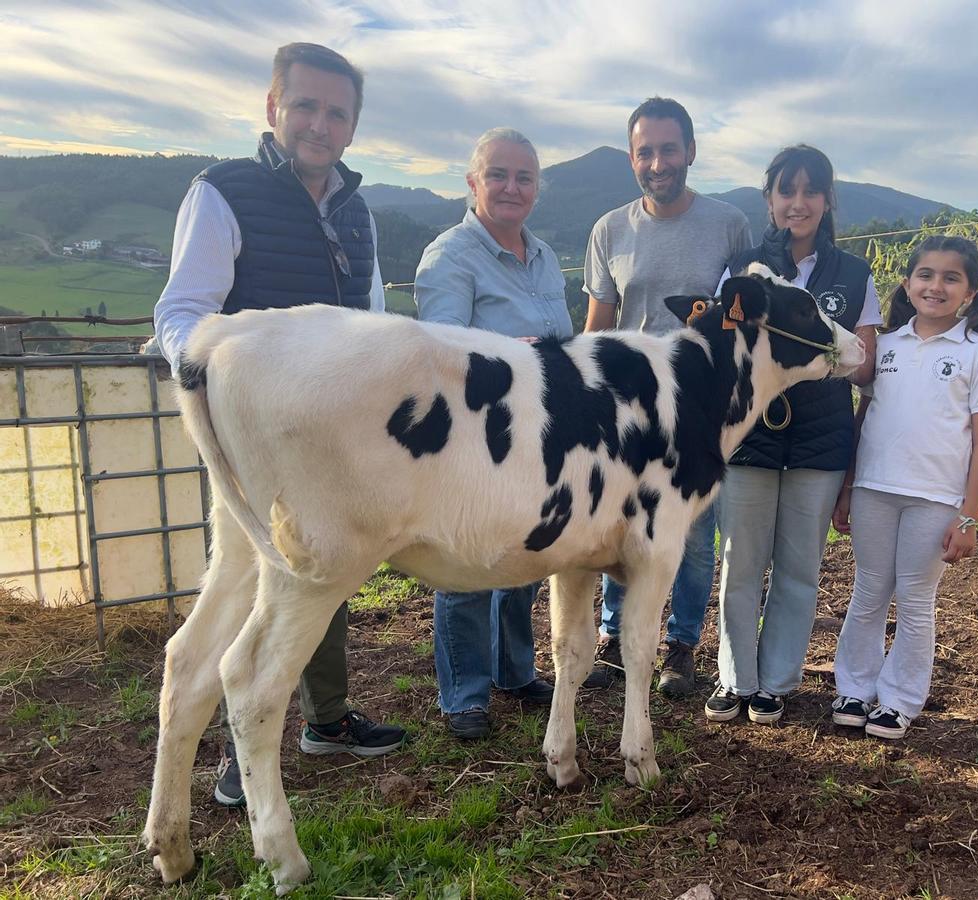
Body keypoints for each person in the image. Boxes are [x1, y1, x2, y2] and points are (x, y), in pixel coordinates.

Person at [153, 42, 408, 808]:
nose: (319, 125)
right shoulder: (223, 191)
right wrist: (212, 397)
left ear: (353, 126)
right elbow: (182, 313)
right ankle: (243, 740)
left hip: (334, 430)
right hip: (259, 433)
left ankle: (325, 719)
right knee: (263, 580)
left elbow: (372, 322)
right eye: (305, 106)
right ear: (274, 108)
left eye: (337, 112)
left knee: (327, 569)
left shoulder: (355, 212)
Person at [582, 97, 752, 697]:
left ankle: (680, 644)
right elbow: (599, 322)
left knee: (690, 533)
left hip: (699, 409)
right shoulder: (609, 230)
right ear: (632, 158)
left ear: (691, 152)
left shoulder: (729, 225)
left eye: (668, 149)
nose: (658, 162)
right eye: (645, 151)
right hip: (625, 408)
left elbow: (740, 320)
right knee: (614, 520)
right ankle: (612, 636)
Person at [704, 145, 879, 726]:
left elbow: (864, 362)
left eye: (811, 191)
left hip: (821, 438)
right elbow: (726, 349)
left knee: (800, 566)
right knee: (740, 561)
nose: (798, 203)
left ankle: (776, 682)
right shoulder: (743, 267)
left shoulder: (853, 275)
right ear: (769, 199)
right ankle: (735, 678)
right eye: (786, 190)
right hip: (750, 436)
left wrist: (815, 355)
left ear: (828, 201)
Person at [414, 127, 569, 739]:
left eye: (524, 177)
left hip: (534, 436)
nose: (512, 187)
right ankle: (465, 695)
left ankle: (514, 670)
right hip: (472, 437)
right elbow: (438, 348)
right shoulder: (450, 255)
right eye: (498, 175)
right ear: (473, 183)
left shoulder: (546, 256)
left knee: (525, 556)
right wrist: (517, 354)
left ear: (536, 189)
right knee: (469, 562)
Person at [831, 235, 978, 739]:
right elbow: (863, 417)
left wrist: (969, 517)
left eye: (951, 278)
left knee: (913, 598)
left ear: (970, 293)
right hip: (873, 490)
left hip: (936, 499)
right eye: (926, 275)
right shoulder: (883, 347)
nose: (936, 286)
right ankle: (853, 688)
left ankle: (900, 700)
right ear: (907, 285)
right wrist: (848, 486)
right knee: (867, 591)